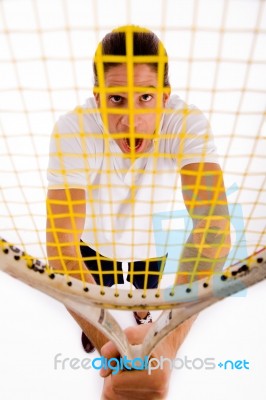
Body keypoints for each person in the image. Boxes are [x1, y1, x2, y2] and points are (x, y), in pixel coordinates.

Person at [46, 25, 230, 398]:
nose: (131, 119)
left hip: (150, 247)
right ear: (98, 98)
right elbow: (62, 247)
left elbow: (214, 231)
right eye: (117, 100)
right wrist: (111, 346)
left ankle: (145, 321)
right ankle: (101, 325)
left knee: (146, 301)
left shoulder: (187, 124)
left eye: (145, 97)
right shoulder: (73, 130)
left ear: (164, 97)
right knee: (98, 299)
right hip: (94, 247)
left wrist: (164, 347)